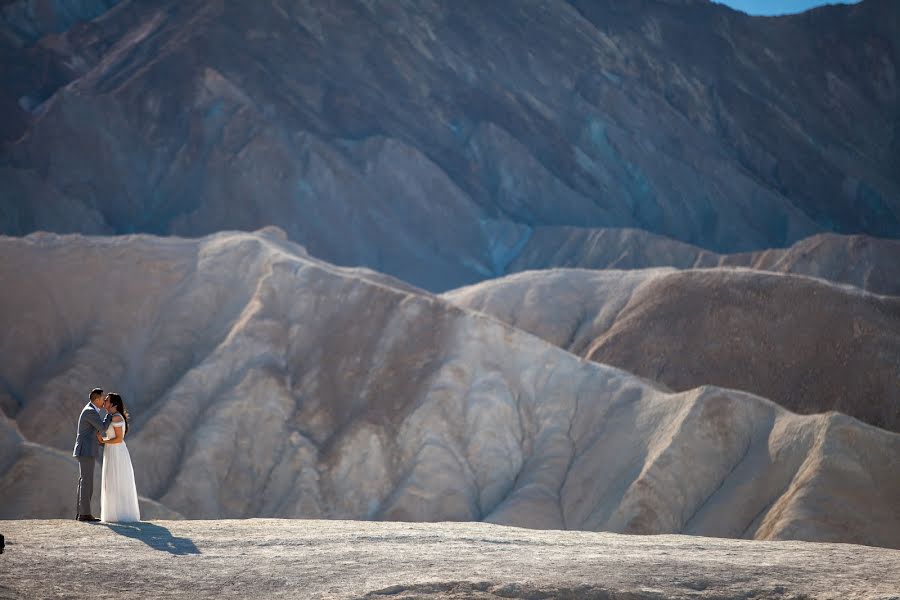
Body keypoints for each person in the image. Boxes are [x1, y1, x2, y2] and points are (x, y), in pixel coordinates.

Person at [98, 393, 141, 522]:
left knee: (117, 481)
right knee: (111, 481)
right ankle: (114, 514)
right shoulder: (112, 417)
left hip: (116, 452)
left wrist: (104, 441)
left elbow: (118, 439)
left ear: (113, 404)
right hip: (112, 451)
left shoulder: (116, 418)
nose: (104, 401)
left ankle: (120, 515)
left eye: (107, 400)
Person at [73, 388, 113, 522]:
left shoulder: (90, 410)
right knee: (86, 482)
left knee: (84, 482)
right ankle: (84, 514)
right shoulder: (90, 411)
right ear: (96, 400)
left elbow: (93, 432)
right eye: (102, 399)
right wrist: (110, 414)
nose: (104, 401)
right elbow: (102, 427)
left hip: (86, 450)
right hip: (86, 451)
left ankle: (82, 513)